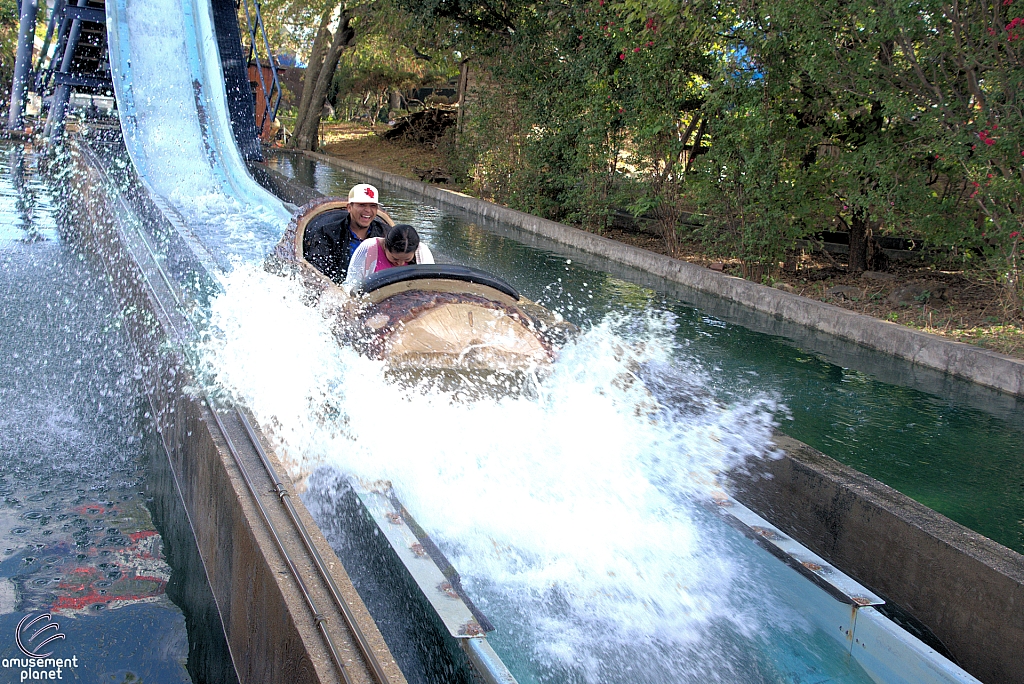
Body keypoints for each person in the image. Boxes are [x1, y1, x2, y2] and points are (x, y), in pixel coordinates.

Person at [302, 183, 391, 283]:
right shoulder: (327, 234)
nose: (368, 210)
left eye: (373, 206)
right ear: (349, 207)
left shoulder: (387, 234)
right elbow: (317, 269)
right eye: (362, 205)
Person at [345, 224, 435, 285]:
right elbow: (351, 284)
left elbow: (430, 285)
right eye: (395, 259)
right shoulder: (369, 248)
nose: (400, 263)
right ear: (385, 246)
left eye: (407, 259)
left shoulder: (422, 252)